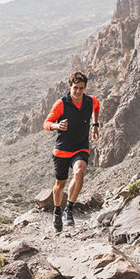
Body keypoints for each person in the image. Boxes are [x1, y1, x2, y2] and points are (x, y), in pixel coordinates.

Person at [43, 71, 100, 232]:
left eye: (81, 88)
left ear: (85, 88)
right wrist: (57, 126)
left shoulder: (90, 101)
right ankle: (57, 211)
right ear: (70, 87)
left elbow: (96, 107)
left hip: (80, 147)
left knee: (79, 172)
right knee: (60, 185)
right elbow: (47, 123)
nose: (78, 92)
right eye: (75, 88)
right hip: (62, 150)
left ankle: (69, 209)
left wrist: (95, 125)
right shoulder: (61, 104)